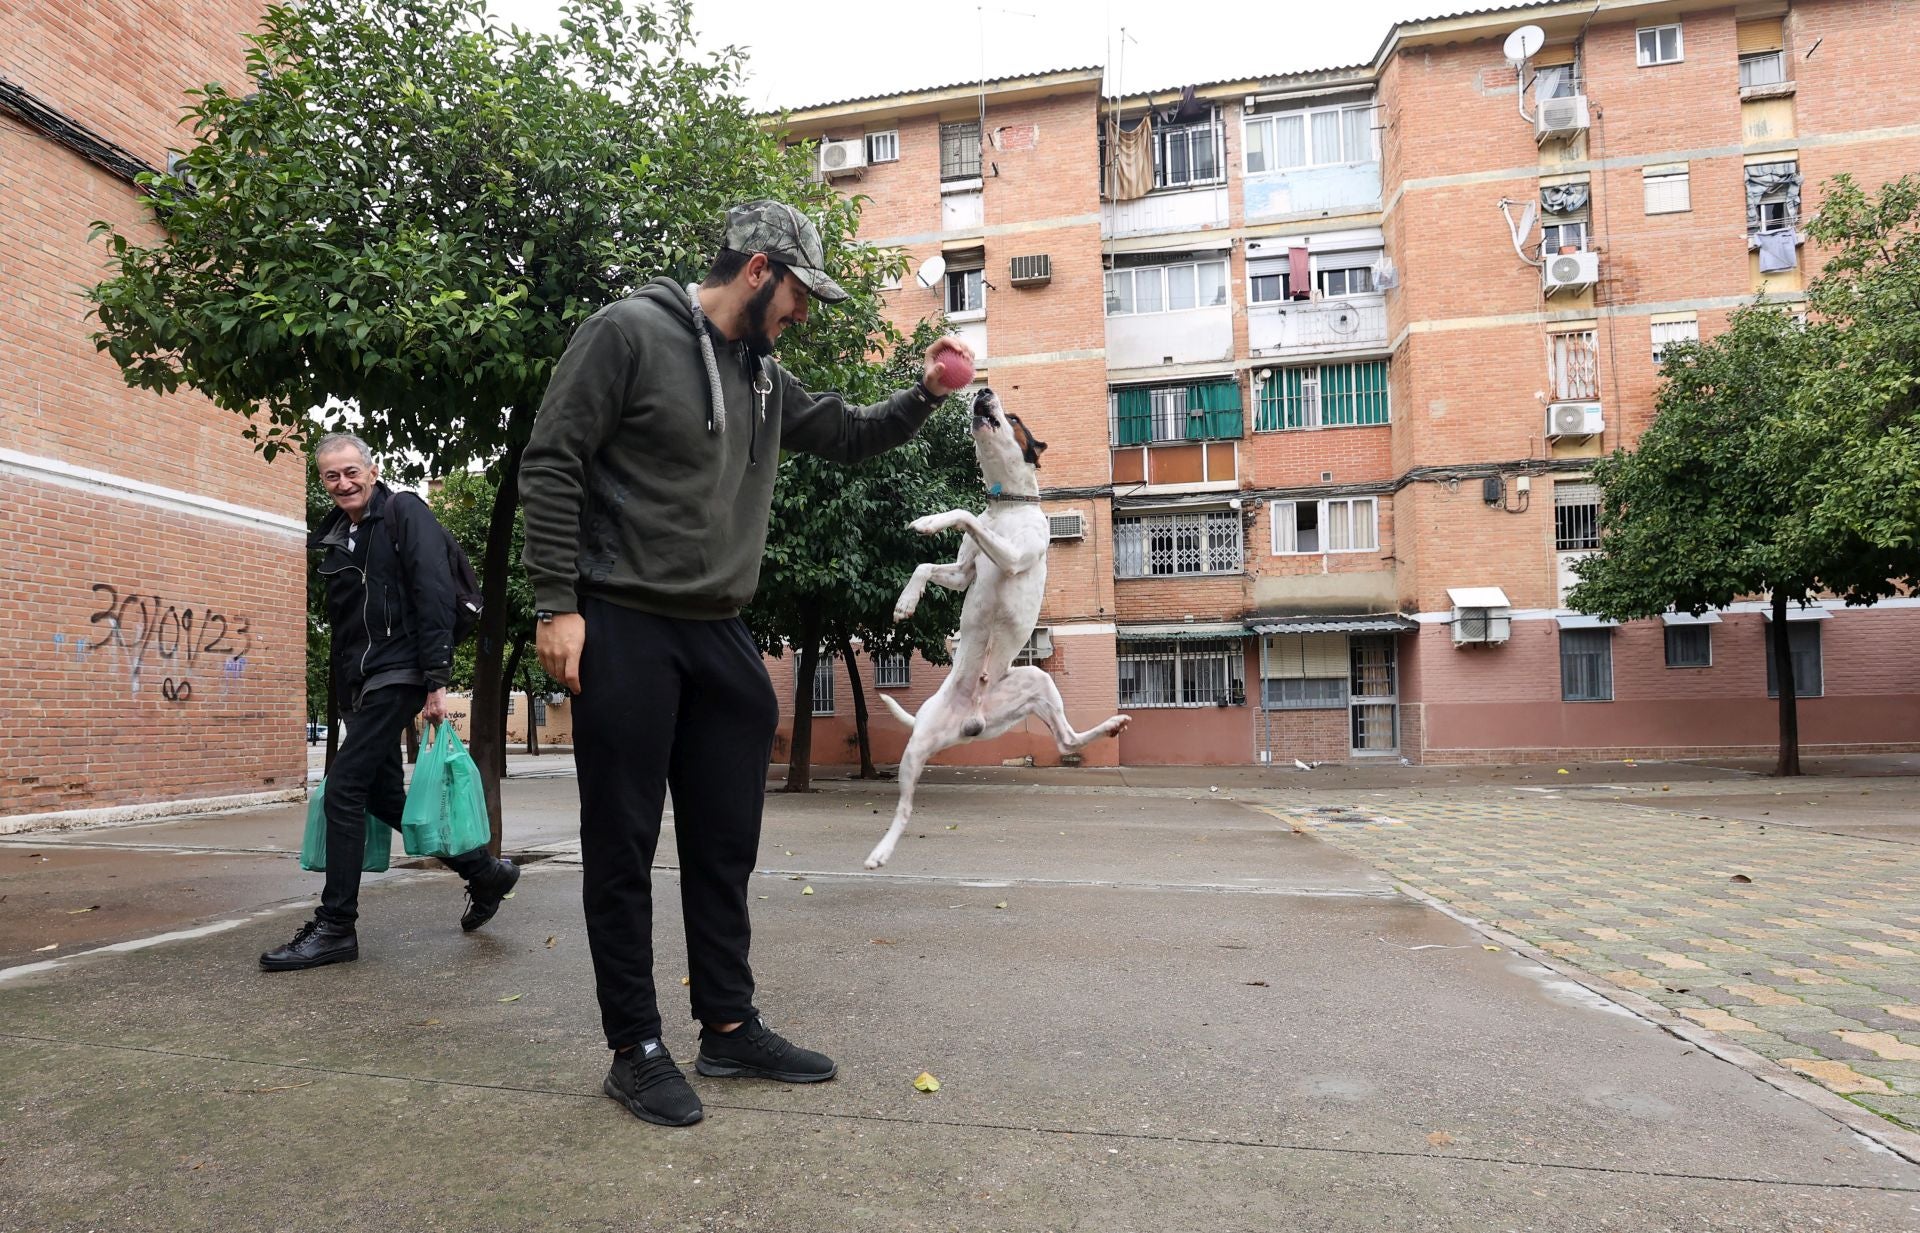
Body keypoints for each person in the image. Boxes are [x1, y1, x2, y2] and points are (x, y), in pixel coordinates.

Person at [520, 200, 974, 1127]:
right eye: (801, 294)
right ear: (761, 269)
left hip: (720, 628)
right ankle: (634, 1047)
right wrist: (555, 604)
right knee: (622, 844)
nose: (804, 313)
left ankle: (726, 1023)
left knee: (725, 841)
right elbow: (552, 459)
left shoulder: (763, 376)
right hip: (624, 619)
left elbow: (846, 434)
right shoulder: (629, 334)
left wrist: (924, 394)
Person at [262, 433, 521, 971]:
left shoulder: (405, 512)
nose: (343, 483)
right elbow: (342, 627)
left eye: (351, 471)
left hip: (402, 669)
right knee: (380, 795)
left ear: (372, 470)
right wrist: (342, 696)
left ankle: (336, 927)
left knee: (344, 786)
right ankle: (484, 872)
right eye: (331, 476)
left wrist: (435, 679)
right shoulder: (335, 536)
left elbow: (431, 592)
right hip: (363, 683)